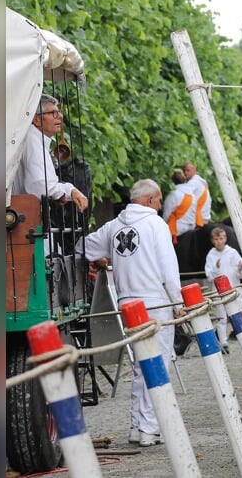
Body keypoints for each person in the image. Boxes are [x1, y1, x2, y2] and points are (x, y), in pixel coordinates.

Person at [83, 179, 182, 447]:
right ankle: (150, 428)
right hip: (155, 303)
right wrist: (179, 303)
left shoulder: (114, 226)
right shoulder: (155, 224)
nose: (161, 206)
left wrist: (101, 259)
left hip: (127, 303)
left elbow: (83, 247)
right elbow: (168, 270)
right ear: (150, 200)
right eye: (159, 200)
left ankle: (137, 427)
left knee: (140, 367)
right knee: (157, 365)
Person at [12, 94, 89, 212]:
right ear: (36, 119)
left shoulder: (33, 138)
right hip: (21, 217)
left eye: (59, 112)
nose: (60, 116)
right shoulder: (32, 139)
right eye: (53, 113)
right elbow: (40, 185)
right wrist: (69, 190)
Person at [204, 226, 242, 355]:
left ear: (225, 238)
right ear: (213, 240)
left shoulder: (232, 252)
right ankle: (223, 342)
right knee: (222, 318)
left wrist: (240, 269)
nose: (219, 241)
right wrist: (216, 269)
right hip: (219, 292)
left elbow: (241, 272)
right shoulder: (211, 255)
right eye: (216, 239)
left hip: (234, 289)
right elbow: (209, 275)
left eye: (221, 238)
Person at [162, 169, 197, 244]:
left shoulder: (173, 194)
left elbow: (166, 215)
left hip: (178, 229)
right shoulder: (192, 195)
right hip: (191, 227)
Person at [182, 161, 211, 227]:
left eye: (188, 170)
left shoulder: (193, 183)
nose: (185, 173)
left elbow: (183, 199)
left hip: (198, 218)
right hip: (205, 217)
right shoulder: (201, 182)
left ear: (194, 170)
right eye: (184, 171)